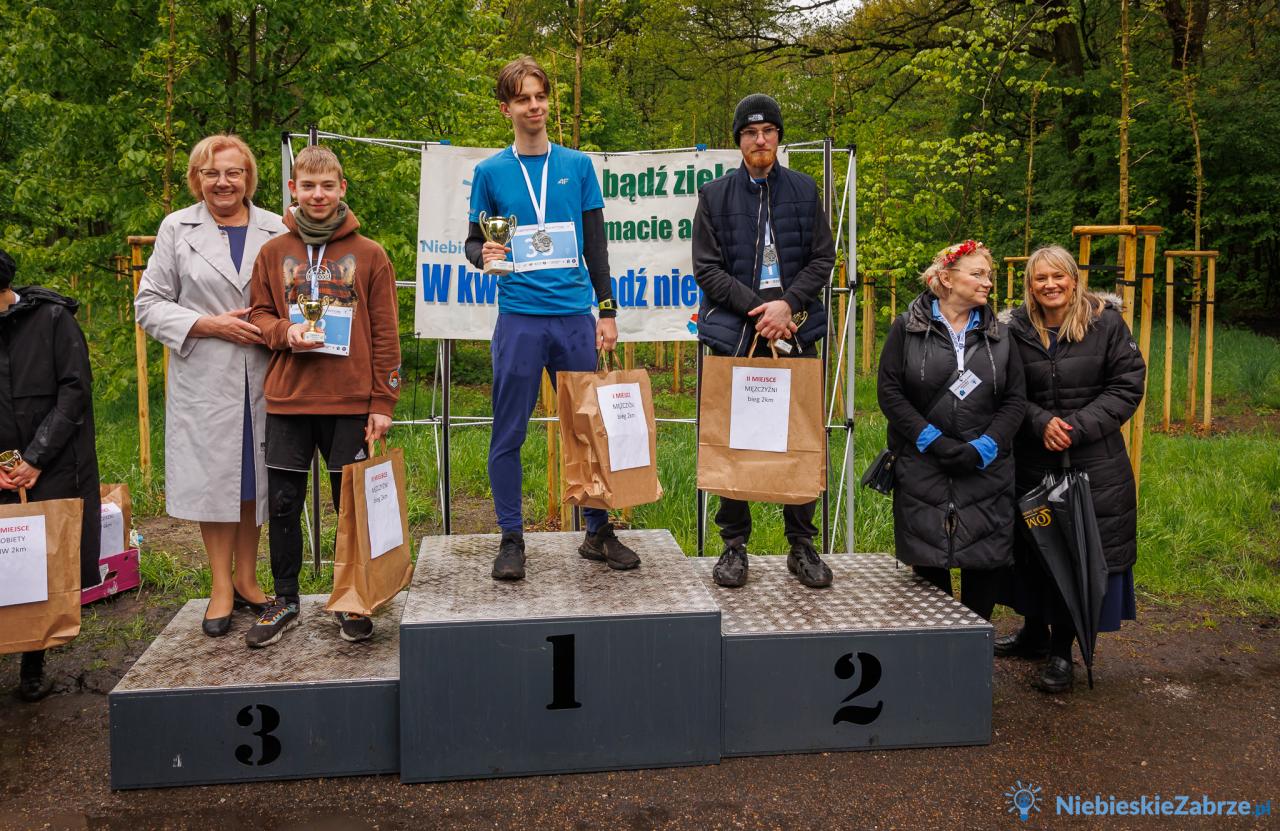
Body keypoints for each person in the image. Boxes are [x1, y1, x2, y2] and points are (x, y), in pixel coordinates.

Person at [465, 56, 637, 581]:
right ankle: (511, 537)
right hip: (520, 318)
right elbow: (474, 242)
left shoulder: (577, 166)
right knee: (509, 433)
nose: (534, 106)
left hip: (572, 318)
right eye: (523, 99)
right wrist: (482, 255)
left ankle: (597, 532)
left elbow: (596, 245)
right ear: (506, 109)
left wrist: (606, 310)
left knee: (589, 429)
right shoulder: (490, 173)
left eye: (540, 96)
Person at [245, 144, 401, 647]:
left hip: (350, 402)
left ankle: (353, 597)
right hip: (289, 400)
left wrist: (382, 402)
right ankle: (285, 598)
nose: (318, 195)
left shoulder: (370, 254)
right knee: (284, 503)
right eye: (308, 186)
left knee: (349, 507)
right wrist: (284, 332)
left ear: (342, 189)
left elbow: (386, 332)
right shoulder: (272, 252)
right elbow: (259, 313)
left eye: (327, 186)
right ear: (293, 190)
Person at [136, 134, 284, 637]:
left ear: (248, 178)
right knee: (215, 480)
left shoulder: (276, 227)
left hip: (264, 373)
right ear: (196, 178)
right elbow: (148, 305)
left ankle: (247, 578)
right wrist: (208, 324)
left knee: (253, 479)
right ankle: (221, 585)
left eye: (233, 172)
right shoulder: (177, 228)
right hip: (206, 375)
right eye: (211, 173)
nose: (223, 182)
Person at [692, 93, 837, 589]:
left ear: (778, 138)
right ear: (739, 141)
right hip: (738, 334)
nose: (760, 140)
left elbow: (822, 258)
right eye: (751, 133)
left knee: (801, 436)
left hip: (794, 328)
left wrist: (787, 306)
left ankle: (802, 546)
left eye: (769, 132)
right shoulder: (714, 196)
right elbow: (707, 269)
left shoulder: (804, 190)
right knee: (735, 438)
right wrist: (760, 310)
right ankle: (734, 546)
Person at [998, 244, 1145, 693]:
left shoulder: (1106, 324)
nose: (1050, 285)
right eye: (1040, 278)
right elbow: (1005, 389)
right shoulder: (1014, 329)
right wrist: (1039, 422)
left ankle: (1062, 651)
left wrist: (1075, 428)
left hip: (1092, 463)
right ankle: (1033, 635)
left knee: (1074, 554)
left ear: (1074, 279)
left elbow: (1127, 385)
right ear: (1030, 285)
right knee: (1032, 550)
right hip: (1033, 459)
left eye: (1058, 276)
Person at [876, 240, 1026, 619]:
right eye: (977, 274)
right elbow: (890, 393)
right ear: (946, 278)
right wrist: (933, 441)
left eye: (988, 275)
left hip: (986, 467)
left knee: (985, 557)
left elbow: (1015, 400)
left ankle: (975, 637)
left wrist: (984, 447)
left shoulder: (1002, 334)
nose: (988, 282)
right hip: (923, 463)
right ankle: (940, 639)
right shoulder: (906, 329)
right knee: (928, 558)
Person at [0, 248, 101, 701]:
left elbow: (75, 390)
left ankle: (33, 662)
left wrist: (36, 457)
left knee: (39, 560)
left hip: (54, 461)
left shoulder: (53, 320)